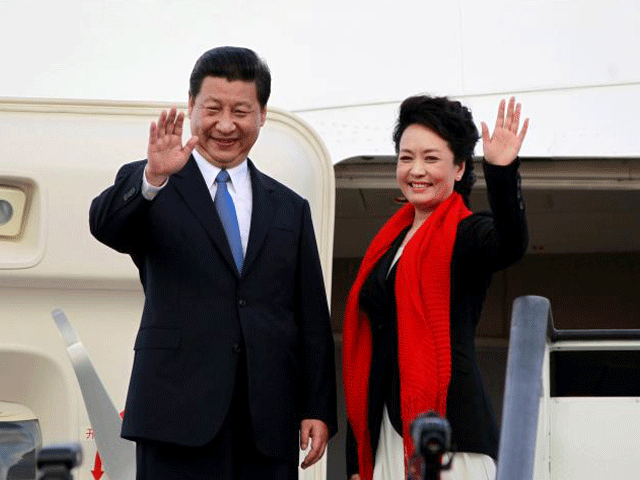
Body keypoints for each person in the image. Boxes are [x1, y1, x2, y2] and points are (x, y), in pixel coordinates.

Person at [89, 46, 337, 480]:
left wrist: (317, 406)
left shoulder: (289, 207)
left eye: (241, 110)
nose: (226, 125)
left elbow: (310, 314)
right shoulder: (154, 181)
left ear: (262, 114)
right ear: (190, 108)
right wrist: (153, 178)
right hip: (174, 413)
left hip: (266, 420)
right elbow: (106, 226)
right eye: (213, 109)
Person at [343, 96, 529, 480]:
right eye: (406, 157)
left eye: (431, 158)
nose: (416, 170)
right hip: (386, 430)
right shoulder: (389, 242)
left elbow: (510, 243)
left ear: (460, 168)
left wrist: (502, 170)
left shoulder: (465, 234)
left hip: (449, 430)